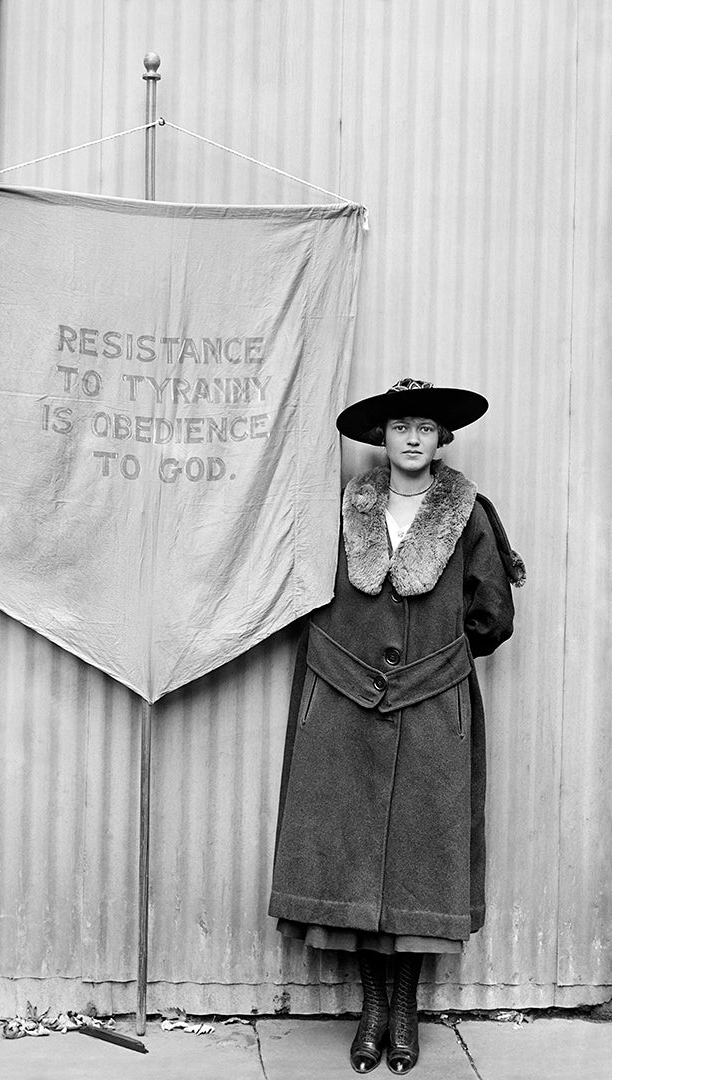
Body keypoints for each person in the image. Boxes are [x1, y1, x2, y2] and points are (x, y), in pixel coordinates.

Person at [268, 377, 524, 1073]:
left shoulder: (468, 514)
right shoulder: (344, 510)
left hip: (433, 704)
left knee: (417, 860)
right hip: (343, 698)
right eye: (400, 426)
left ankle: (404, 1012)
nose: (413, 437)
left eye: (426, 427)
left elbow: (493, 615)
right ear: (380, 439)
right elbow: (296, 590)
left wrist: (436, 662)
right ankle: (372, 1011)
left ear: (443, 439)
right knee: (351, 855)